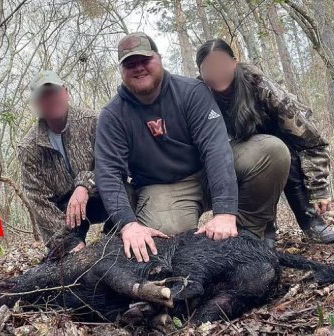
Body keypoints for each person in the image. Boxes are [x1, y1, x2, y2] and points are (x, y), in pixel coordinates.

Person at [95, 32, 290, 263]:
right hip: (163, 188)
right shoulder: (112, 115)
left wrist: (225, 212)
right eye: (130, 64)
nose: (138, 68)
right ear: (121, 70)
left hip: (207, 173)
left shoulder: (191, 92)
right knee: (166, 248)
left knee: (271, 151)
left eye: (144, 60)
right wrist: (128, 224)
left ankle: (249, 237)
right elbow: (108, 173)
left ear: (159, 58)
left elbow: (215, 149)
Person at [195, 38, 334, 243]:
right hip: (240, 154)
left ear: (234, 62)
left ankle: (310, 220)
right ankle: (264, 230)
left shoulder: (261, 87)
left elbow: (311, 140)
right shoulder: (199, 95)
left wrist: (319, 190)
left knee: (282, 152)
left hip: (281, 148)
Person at [18, 70, 112, 253]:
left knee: (128, 191)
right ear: (36, 104)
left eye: (55, 91)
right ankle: (74, 246)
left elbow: (110, 164)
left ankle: (113, 239)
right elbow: (39, 202)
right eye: (44, 96)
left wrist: (85, 185)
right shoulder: (29, 148)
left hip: (102, 195)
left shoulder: (94, 121)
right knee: (67, 259)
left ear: (66, 92)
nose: (52, 99)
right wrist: (66, 241)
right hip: (66, 214)